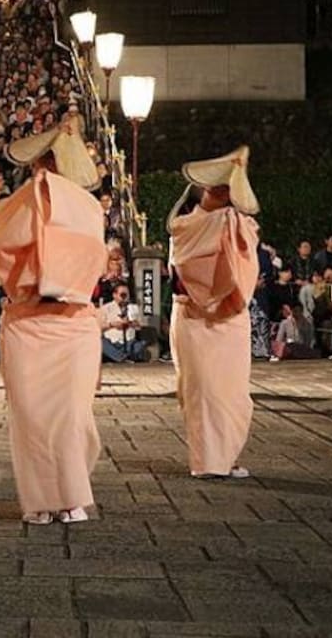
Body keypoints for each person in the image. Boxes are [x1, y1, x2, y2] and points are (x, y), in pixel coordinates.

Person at [0, 123, 108, 526]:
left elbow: (91, 262)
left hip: (73, 324)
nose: (45, 169)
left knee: (73, 416)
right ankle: (41, 499)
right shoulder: (15, 206)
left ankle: (71, 491)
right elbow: (4, 261)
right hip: (27, 323)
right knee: (32, 417)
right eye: (43, 162)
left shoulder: (87, 209)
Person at [168, 145, 261, 480]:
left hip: (230, 318)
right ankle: (208, 460)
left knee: (232, 392)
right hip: (193, 316)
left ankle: (226, 457)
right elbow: (185, 264)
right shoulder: (186, 225)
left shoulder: (236, 223)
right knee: (202, 391)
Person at [101, 283, 145, 363]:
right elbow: (99, 327)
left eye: (127, 295)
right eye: (122, 295)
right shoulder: (106, 308)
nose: (125, 297)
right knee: (101, 343)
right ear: (114, 295)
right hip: (112, 342)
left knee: (140, 345)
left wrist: (132, 323)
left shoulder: (133, 308)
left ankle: (120, 357)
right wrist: (112, 325)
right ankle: (123, 358)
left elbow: (139, 327)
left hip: (129, 342)